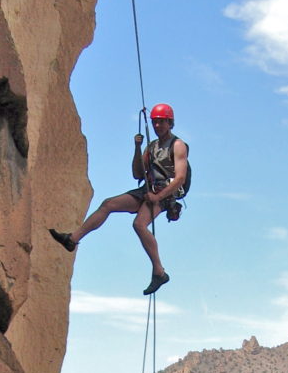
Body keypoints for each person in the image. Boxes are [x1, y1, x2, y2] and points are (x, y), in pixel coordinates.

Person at [49, 103, 189, 295]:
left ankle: (159, 271)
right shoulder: (152, 146)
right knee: (108, 204)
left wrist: (158, 197)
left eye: (161, 122)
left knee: (139, 225)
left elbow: (180, 177)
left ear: (169, 122)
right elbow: (137, 173)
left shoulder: (178, 145)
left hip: (165, 194)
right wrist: (138, 148)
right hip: (147, 189)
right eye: (155, 122)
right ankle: (73, 239)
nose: (157, 126)